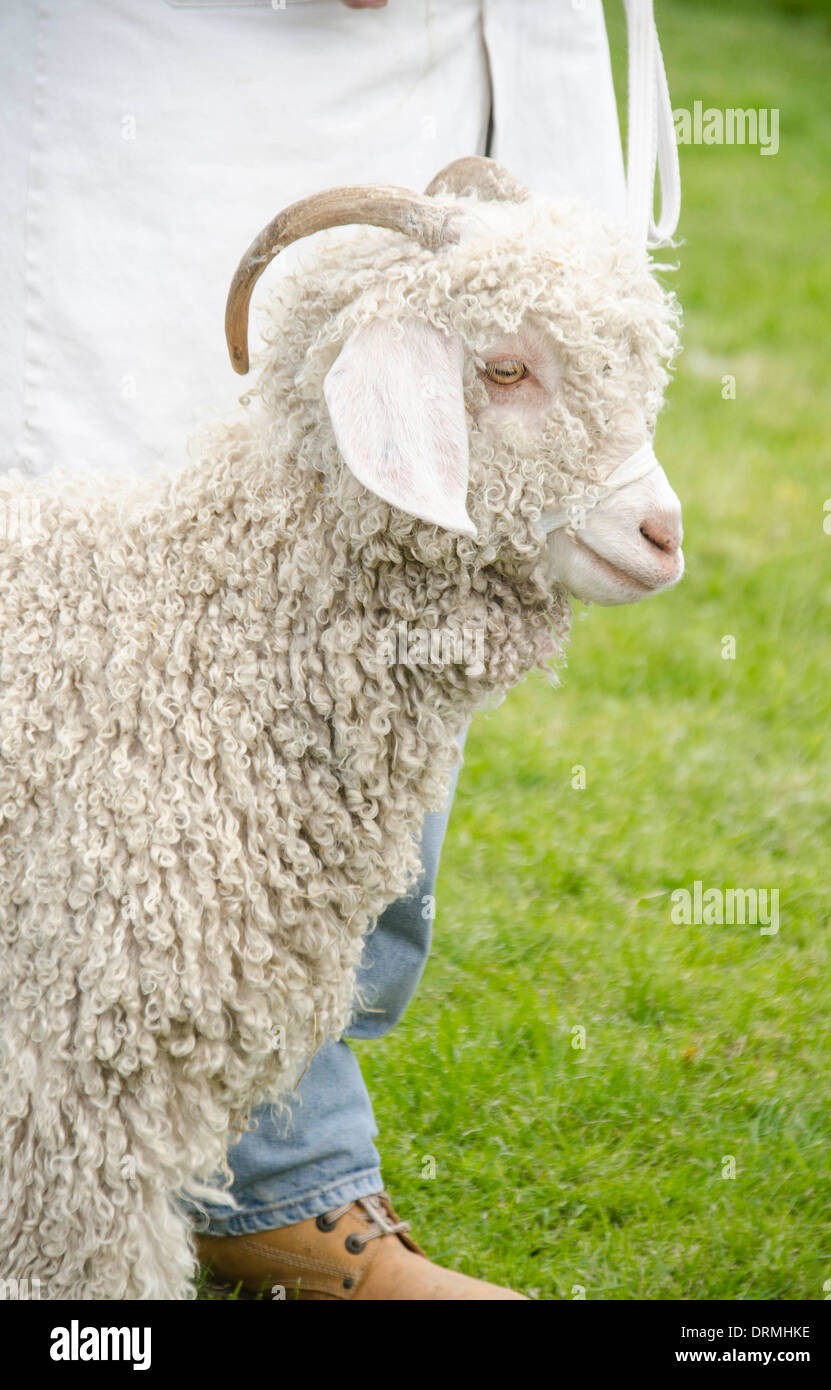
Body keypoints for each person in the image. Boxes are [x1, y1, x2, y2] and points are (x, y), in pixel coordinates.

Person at [2, 0, 629, 1299]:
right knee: (145, 724)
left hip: (415, 75)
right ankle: (176, 1184)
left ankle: (268, 1164)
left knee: (375, 658)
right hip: (155, 88)